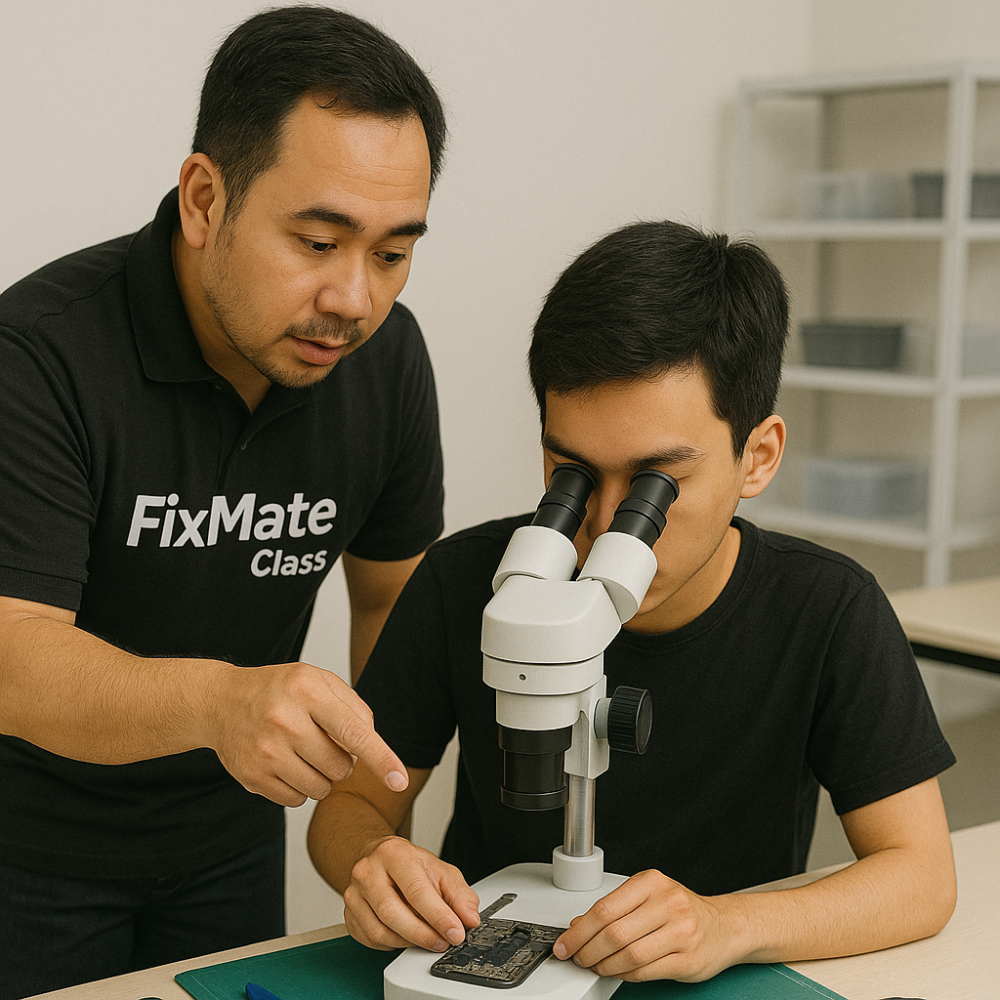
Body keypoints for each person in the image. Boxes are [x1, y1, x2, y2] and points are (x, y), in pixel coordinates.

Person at [308, 220, 957, 984]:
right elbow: (348, 807)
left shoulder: (827, 610)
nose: (608, 521)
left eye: (656, 483)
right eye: (572, 472)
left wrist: (728, 925)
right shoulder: (465, 579)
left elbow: (921, 876)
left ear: (758, 457)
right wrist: (376, 860)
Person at [0, 6, 447, 996]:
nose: (354, 301)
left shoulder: (385, 363)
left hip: (232, 843)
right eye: (318, 240)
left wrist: (372, 829)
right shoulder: (37, 355)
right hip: (26, 854)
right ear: (205, 199)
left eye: (390, 253)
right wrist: (220, 703)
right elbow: (12, 654)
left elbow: (392, 601)